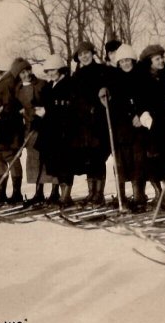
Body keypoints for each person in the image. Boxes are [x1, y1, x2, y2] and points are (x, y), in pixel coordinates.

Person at [104, 44, 149, 212]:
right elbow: (115, 102)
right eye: (121, 61)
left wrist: (140, 113)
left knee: (138, 160)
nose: (125, 64)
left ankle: (139, 196)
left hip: (138, 125)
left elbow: (145, 97)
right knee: (121, 161)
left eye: (128, 60)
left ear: (133, 60)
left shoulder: (140, 76)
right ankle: (121, 197)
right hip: (121, 126)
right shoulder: (115, 79)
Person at [138, 44, 165, 209]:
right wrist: (143, 114)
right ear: (150, 62)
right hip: (152, 124)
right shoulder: (142, 77)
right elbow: (140, 99)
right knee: (153, 159)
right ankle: (159, 193)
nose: (162, 61)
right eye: (157, 59)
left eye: (162, 57)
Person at [71, 41, 111, 207]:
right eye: (81, 55)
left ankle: (99, 194)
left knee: (98, 157)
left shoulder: (102, 71)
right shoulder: (77, 75)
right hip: (82, 123)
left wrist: (104, 95)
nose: (84, 56)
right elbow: (74, 98)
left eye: (86, 53)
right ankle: (91, 192)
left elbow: (108, 92)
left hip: (98, 121)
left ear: (92, 53)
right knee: (88, 158)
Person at [14, 60, 59, 206]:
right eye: (22, 73)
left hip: (44, 127)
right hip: (29, 129)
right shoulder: (18, 89)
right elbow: (17, 108)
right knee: (34, 161)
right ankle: (38, 192)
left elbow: (48, 104)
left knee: (48, 160)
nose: (26, 74)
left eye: (27, 70)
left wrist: (37, 112)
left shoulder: (42, 84)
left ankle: (54, 192)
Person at [35, 54, 76, 207]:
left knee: (65, 163)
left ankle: (66, 195)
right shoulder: (48, 87)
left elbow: (68, 109)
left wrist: (47, 112)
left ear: (60, 69)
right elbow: (44, 105)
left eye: (53, 70)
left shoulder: (68, 84)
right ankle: (61, 194)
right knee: (55, 163)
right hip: (50, 132)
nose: (50, 74)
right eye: (48, 71)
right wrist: (38, 117)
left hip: (64, 131)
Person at [0, 58, 27, 206]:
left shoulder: (9, 81)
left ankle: (15, 193)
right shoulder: (7, 80)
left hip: (7, 127)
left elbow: (9, 104)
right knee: (0, 158)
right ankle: (2, 192)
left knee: (10, 158)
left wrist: (0, 114)